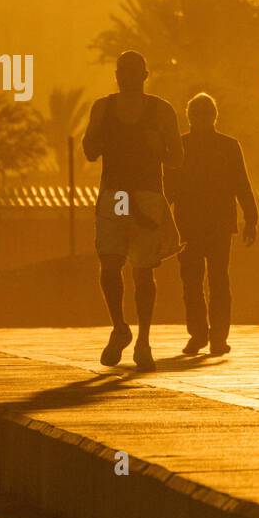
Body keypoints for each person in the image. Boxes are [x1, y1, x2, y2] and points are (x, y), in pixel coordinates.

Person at [81, 50, 184, 371]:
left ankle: (143, 341)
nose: (126, 76)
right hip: (115, 195)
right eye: (122, 71)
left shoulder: (161, 111)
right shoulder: (103, 108)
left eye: (132, 71)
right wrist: (98, 143)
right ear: (117, 75)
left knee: (143, 271)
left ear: (143, 75)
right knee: (110, 265)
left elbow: (177, 158)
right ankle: (120, 327)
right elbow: (88, 150)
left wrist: (158, 148)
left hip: (147, 196)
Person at [165, 93, 258, 357]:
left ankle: (216, 337)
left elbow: (242, 184)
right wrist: (162, 222)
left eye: (205, 114)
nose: (201, 119)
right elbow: (169, 190)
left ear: (213, 116)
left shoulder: (228, 146)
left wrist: (251, 218)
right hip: (189, 226)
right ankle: (199, 335)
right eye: (197, 114)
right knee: (192, 282)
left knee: (217, 280)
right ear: (190, 117)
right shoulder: (181, 148)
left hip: (216, 225)